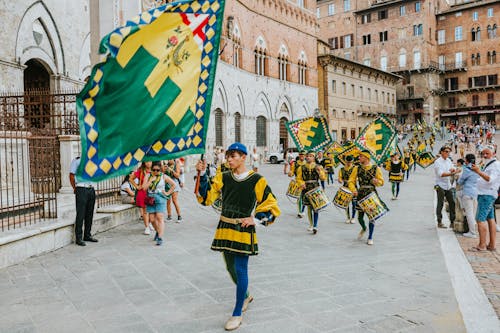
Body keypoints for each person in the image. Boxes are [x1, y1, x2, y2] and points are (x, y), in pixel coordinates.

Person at [195, 142, 280, 331]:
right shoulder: (223, 177)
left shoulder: (257, 179)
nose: (230, 159)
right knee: (230, 267)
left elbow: (270, 203)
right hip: (225, 226)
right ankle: (247, 295)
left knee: (241, 269)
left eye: (234, 156)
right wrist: (201, 175)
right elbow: (207, 198)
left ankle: (236, 313)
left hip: (242, 229)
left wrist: (255, 219)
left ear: (244, 157)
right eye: (228, 156)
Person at [348, 150, 384, 245]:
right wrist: (353, 189)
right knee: (360, 217)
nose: (359, 158)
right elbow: (351, 180)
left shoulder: (376, 168)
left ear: (366, 157)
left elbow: (381, 182)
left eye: (361, 156)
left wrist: (377, 182)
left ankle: (370, 236)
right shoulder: (357, 168)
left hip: (371, 193)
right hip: (360, 193)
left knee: (372, 216)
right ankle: (364, 228)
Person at [469, 146, 499, 252]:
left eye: (487, 153)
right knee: (490, 219)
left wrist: (478, 171)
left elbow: (490, 179)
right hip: (486, 194)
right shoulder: (490, 164)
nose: (485, 155)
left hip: (487, 195)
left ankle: (482, 245)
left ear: (493, 153)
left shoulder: (495, 165)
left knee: (480, 219)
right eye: (483, 153)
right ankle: (491, 245)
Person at [145, 162, 176, 246]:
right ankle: (158, 231)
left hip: (160, 198)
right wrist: (150, 180)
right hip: (150, 198)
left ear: (160, 170)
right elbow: (144, 188)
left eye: (157, 170)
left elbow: (174, 184)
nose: (155, 172)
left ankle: (160, 237)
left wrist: (167, 193)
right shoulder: (148, 176)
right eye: (153, 170)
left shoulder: (164, 176)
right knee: (151, 219)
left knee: (159, 217)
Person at [69, 157, 97, 246]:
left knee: (90, 213)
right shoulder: (76, 161)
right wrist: (75, 188)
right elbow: (71, 175)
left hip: (91, 188)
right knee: (80, 213)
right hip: (81, 188)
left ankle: (87, 235)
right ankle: (79, 237)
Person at [296, 151, 327, 234]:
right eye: (308, 156)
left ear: (314, 157)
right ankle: (311, 224)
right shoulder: (301, 167)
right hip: (306, 188)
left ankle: (315, 225)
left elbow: (323, 178)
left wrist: (320, 172)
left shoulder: (318, 166)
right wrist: (301, 183)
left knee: (316, 207)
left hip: (315, 188)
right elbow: (298, 178)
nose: (308, 157)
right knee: (309, 207)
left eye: (311, 156)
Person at [434, 146, 457, 229]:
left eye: (449, 152)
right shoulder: (437, 162)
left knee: (452, 202)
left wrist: (453, 170)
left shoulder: (448, 160)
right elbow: (441, 174)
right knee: (440, 203)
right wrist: (451, 173)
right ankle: (439, 221)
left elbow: (453, 168)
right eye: (446, 151)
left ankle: (452, 221)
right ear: (442, 152)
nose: (448, 153)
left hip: (448, 184)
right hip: (439, 185)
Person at [457, 154, 479, 238]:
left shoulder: (467, 169)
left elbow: (460, 181)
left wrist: (458, 180)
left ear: (466, 160)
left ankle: (472, 232)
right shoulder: (477, 168)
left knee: (469, 213)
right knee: (473, 213)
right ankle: (473, 230)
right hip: (475, 192)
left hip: (467, 192)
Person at [131, 161, 153, 235]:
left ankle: (149, 223)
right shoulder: (141, 171)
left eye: (150, 161)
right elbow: (131, 179)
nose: (148, 163)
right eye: (146, 161)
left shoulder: (155, 170)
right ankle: (146, 227)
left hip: (152, 192)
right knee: (145, 211)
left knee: (151, 210)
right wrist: (137, 186)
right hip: (142, 193)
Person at [338, 155, 356, 224]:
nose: (349, 163)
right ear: (345, 161)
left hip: (353, 187)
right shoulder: (342, 169)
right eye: (347, 162)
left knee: (354, 203)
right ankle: (348, 217)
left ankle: (353, 217)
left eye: (350, 162)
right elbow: (340, 177)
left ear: (352, 162)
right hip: (345, 187)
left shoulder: (355, 168)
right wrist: (340, 180)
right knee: (346, 204)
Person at [288, 151, 306, 218]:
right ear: (299, 155)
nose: (302, 156)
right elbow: (292, 172)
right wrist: (290, 173)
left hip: (306, 183)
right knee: (300, 197)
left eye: (303, 155)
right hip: (298, 182)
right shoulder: (295, 164)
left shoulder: (307, 163)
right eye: (301, 154)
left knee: (305, 198)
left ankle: (302, 210)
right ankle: (300, 212)